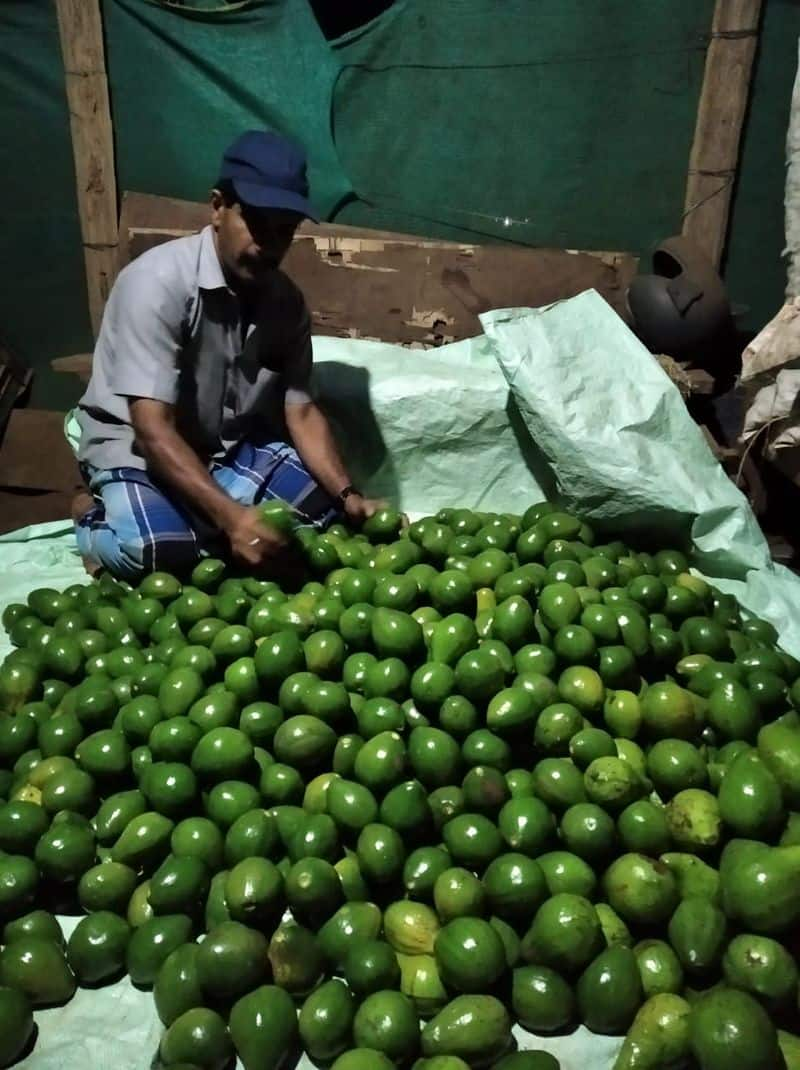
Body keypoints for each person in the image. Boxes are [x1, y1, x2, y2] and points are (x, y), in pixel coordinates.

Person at [72, 130, 382, 581]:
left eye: (285, 231)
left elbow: (303, 411)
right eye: (257, 224)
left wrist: (348, 495)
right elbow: (153, 431)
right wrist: (233, 518)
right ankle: (88, 516)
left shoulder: (286, 303)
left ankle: (200, 520)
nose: (269, 245)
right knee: (159, 552)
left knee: (320, 514)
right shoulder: (157, 284)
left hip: (225, 451)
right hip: (138, 449)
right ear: (218, 207)